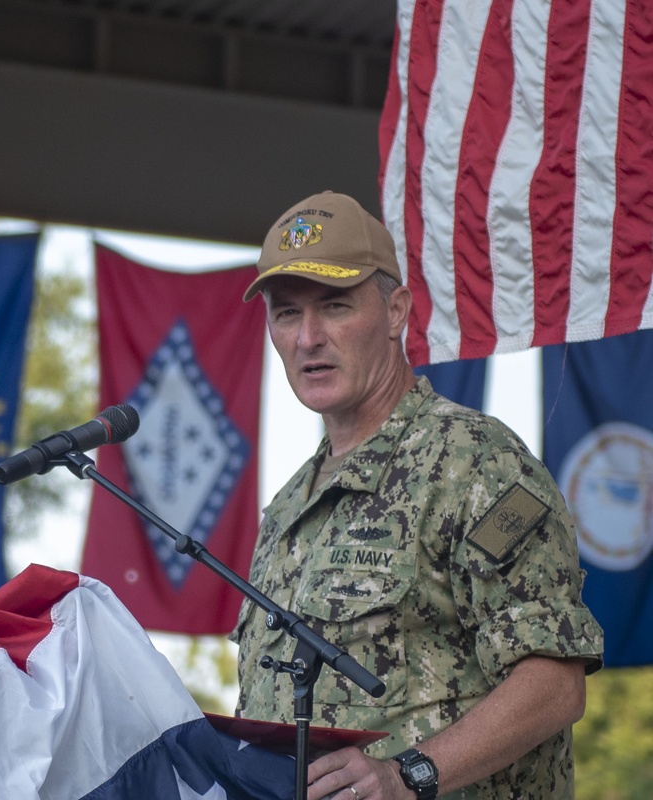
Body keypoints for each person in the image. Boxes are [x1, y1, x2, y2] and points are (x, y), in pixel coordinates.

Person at [232, 191, 604, 799]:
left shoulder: (476, 461)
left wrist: (409, 775)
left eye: (334, 305)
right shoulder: (289, 505)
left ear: (397, 311)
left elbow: (553, 682)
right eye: (287, 313)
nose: (309, 337)